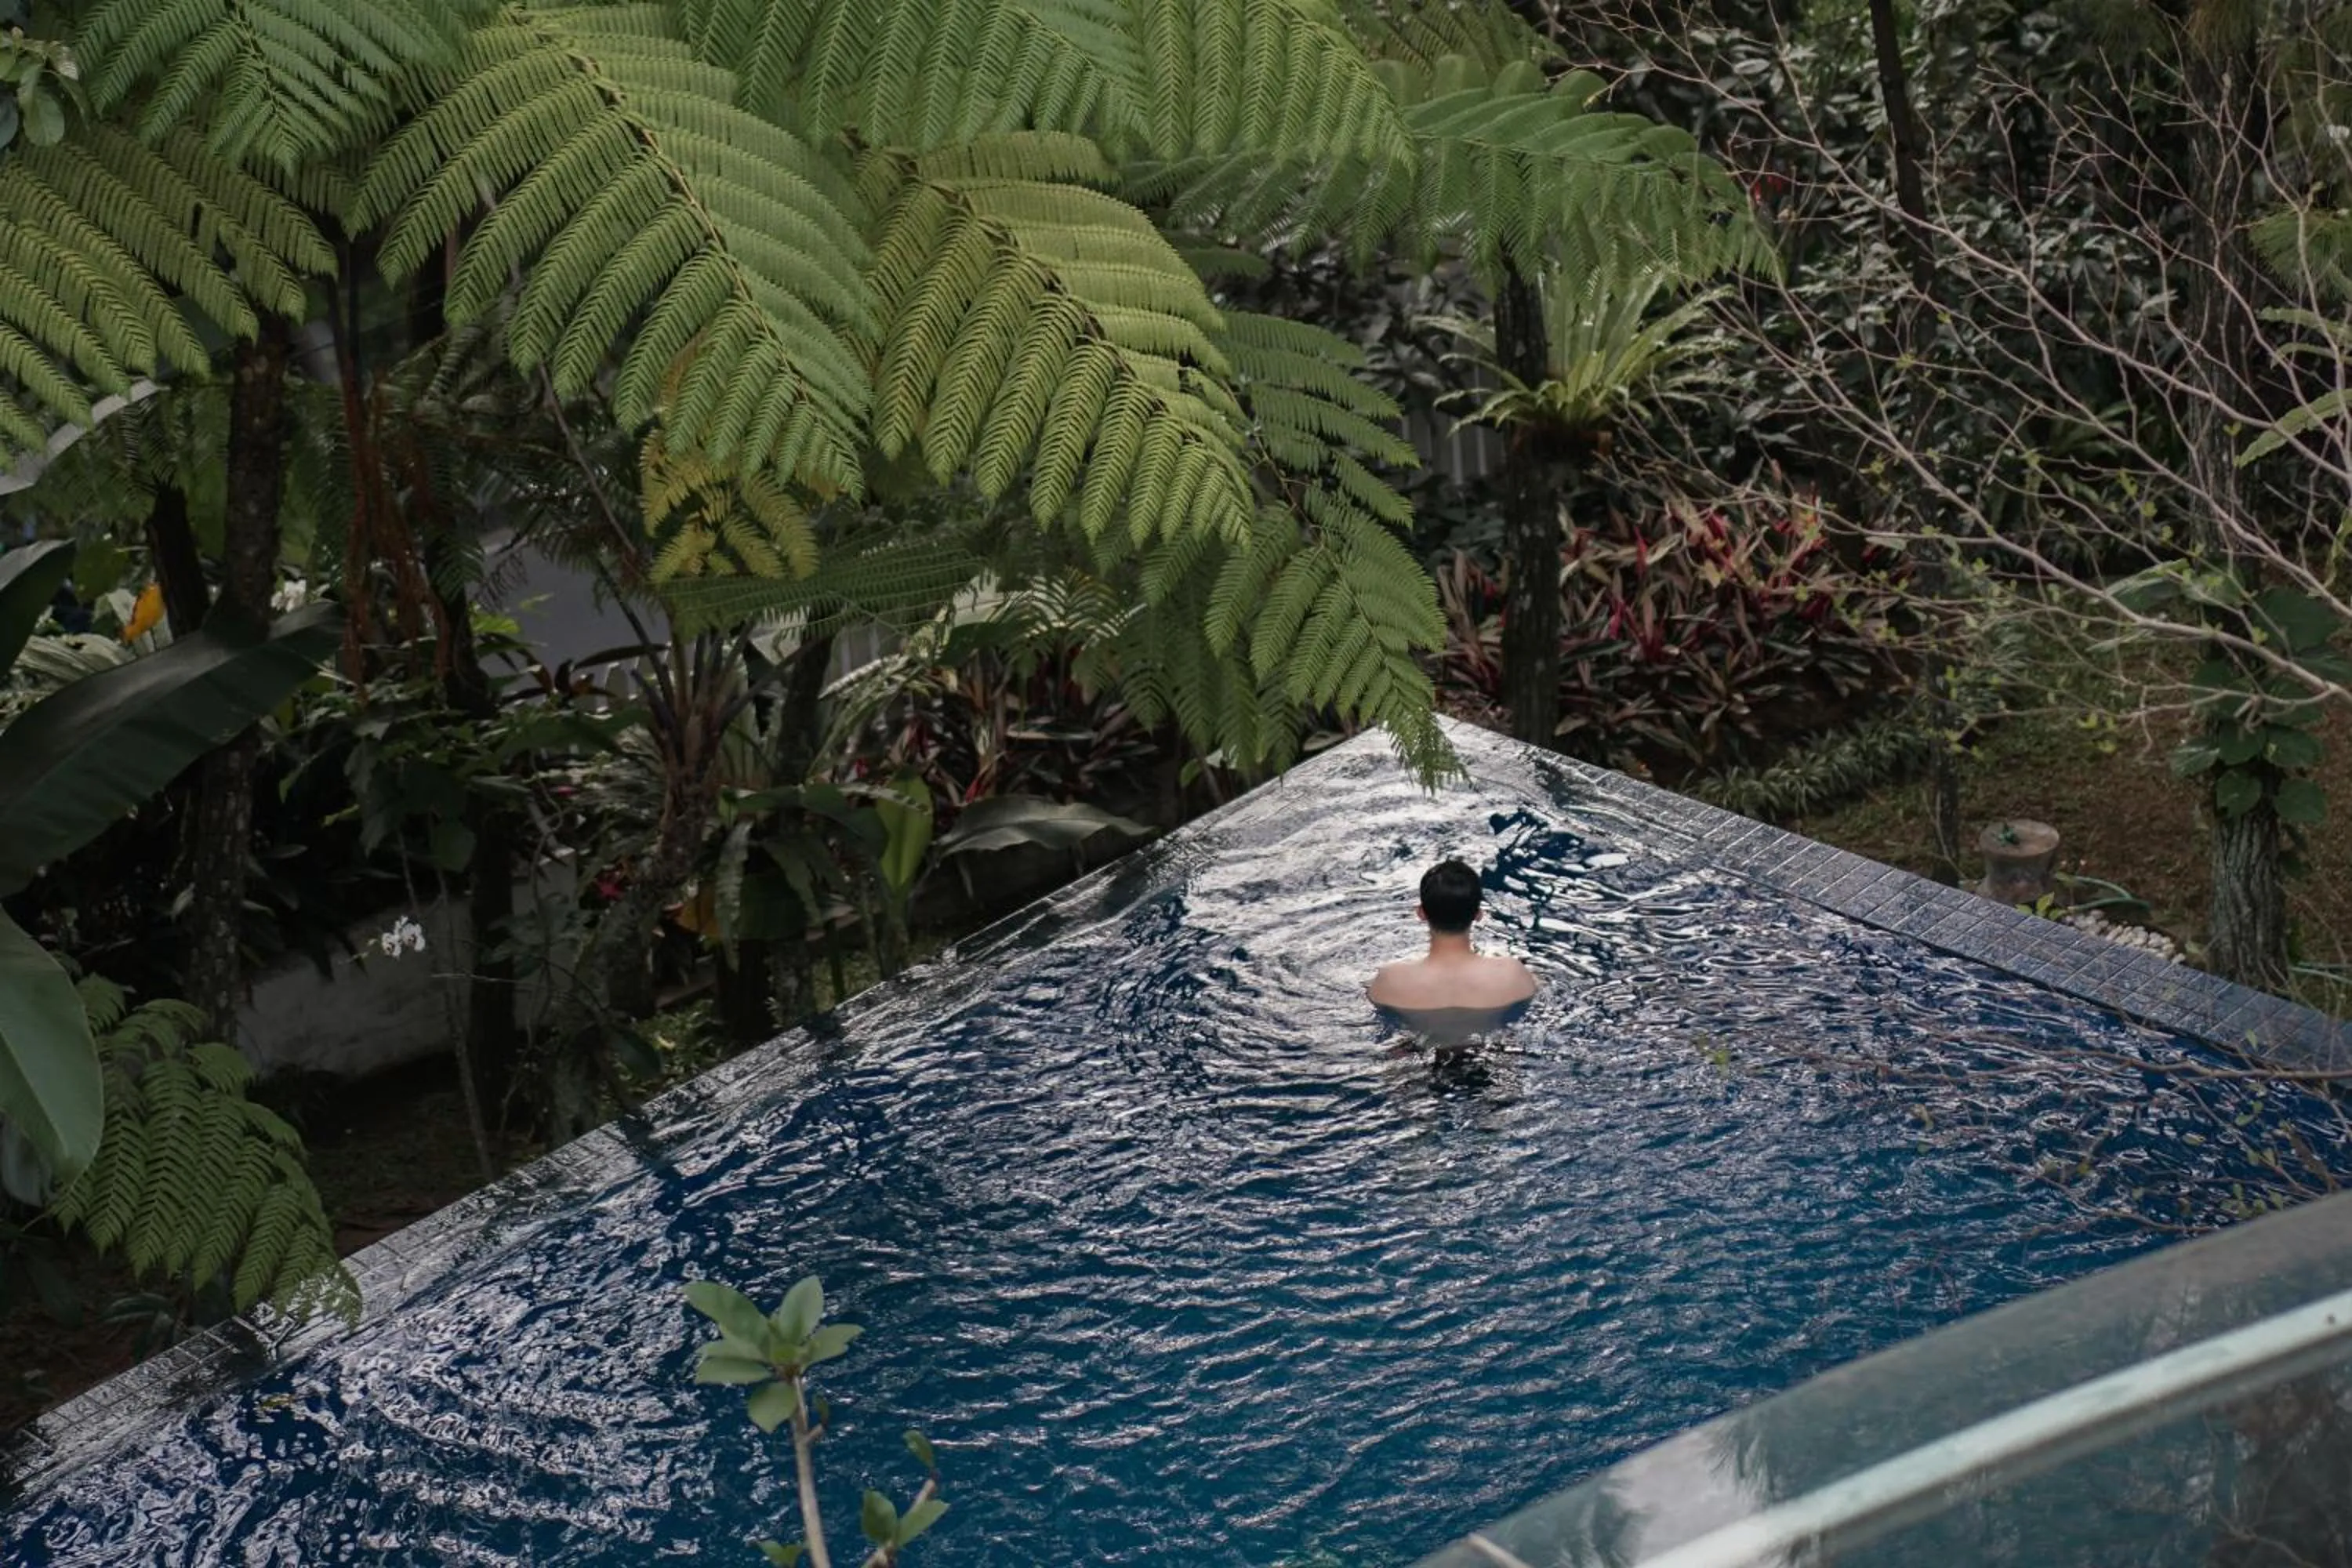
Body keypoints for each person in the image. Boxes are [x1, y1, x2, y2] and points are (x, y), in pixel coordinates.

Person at [1367, 860, 1537, 1028]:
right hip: (1489, 1043)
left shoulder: (1391, 979)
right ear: (1478, 915)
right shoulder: (1512, 974)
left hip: (1416, 1042)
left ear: (1421, 913)